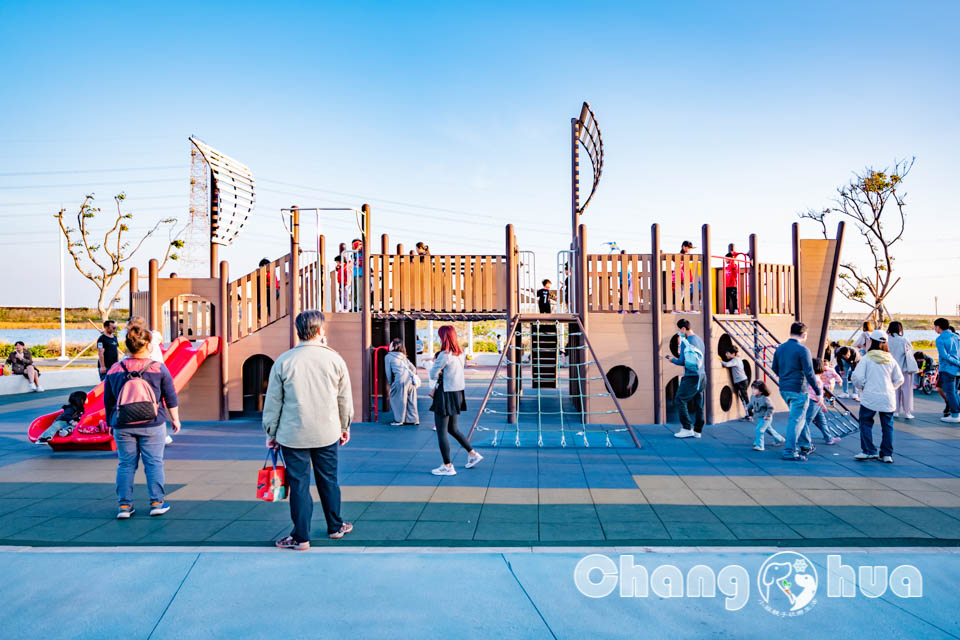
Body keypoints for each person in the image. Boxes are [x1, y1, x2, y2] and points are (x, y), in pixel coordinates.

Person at [263, 310, 354, 549]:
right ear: (321, 331)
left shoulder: (284, 361)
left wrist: (271, 433)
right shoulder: (335, 359)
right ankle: (335, 526)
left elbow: (274, 402)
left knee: (299, 486)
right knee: (329, 480)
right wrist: (345, 426)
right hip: (327, 432)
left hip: (292, 435)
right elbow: (344, 399)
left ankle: (301, 537)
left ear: (298, 331)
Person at [104, 321, 180, 519]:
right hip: (152, 423)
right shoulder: (158, 368)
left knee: (125, 464)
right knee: (154, 463)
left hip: (122, 424)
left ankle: (124, 506)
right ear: (148, 345)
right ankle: (157, 502)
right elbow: (170, 396)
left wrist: (110, 423)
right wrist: (175, 420)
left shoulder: (114, 369)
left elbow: (109, 401)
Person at [429, 325, 483, 475]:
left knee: (441, 431)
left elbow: (432, 375)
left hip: (445, 394)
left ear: (443, 337)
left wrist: (434, 364)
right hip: (457, 393)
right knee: (453, 428)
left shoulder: (444, 355)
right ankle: (472, 454)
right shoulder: (460, 354)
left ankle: (447, 466)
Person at [851, 330, 904, 462]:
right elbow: (899, 379)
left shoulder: (867, 359)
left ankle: (869, 451)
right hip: (888, 397)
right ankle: (887, 454)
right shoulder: (891, 359)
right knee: (887, 426)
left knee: (865, 423)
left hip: (870, 396)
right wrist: (891, 388)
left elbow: (857, 377)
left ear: (872, 341)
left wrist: (862, 387)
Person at [771, 322, 820, 461]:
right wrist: (818, 392)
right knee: (796, 419)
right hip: (799, 389)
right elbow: (809, 373)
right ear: (804, 335)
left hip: (784, 389)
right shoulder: (803, 350)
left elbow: (774, 369)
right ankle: (789, 451)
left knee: (799, 417)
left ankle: (806, 445)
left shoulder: (780, 348)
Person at [665, 319, 706, 438]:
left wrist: (672, 359)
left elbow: (682, 361)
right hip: (702, 375)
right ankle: (698, 430)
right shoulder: (699, 339)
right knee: (699, 404)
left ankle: (687, 427)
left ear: (683, 328)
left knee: (679, 400)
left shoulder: (685, 342)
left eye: (679, 329)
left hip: (691, 376)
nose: (679, 332)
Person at [804, 359, 840, 446]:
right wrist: (823, 405)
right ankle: (801, 439)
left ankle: (829, 438)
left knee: (821, 421)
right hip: (814, 403)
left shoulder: (810, 377)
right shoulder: (817, 380)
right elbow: (817, 395)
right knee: (806, 421)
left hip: (815, 402)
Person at [384, 338, 419, 426]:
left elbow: (388, 372)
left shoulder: (388, 356)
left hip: (400, 379)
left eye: (391, 344)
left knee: (398, 399)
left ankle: (399, 420)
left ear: (394, 346)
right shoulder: (403, 356)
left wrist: (392, 383)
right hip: (410, 380)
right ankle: (413, 419)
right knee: (411, 400)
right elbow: (413, 369)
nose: (389, 346)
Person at [887, 321, 918, 419]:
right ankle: (907, 412)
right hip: (904, 369)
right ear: (900, 329)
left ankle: (895, 410)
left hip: (891, 369)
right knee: (907, 391)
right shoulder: (904, 340)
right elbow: (910, 353)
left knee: (894, 390)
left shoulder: (887, 340)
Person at [934, 317, 960, 423]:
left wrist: (956, 362)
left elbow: (944, 355)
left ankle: (955, 415)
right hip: (958, 369)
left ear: (938, 327)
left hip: (948, 368)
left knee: (950, 392)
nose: (934, 329)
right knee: (955, 392)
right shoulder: (956, 337)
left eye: (935, 327)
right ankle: (957, 413)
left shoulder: (940, 339)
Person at [748, 380, 783, 451]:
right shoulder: (753, 397)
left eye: (755, 389)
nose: (753, 390)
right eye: (752, 389)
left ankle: (760, 445)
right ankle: (779, 439)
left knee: (759, 430)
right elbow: (751, 404)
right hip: (759, 417)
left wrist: (767, 415)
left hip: (766, 418)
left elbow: (771, 407)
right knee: (769, 429)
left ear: (761, 391)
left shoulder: (765, 398)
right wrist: (747, 407)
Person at [720, 345, 750, 420]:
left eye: (728, 353)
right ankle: (749, 414)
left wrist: (720, 361)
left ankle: (749, 415)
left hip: (741, 381)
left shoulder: (735, 360)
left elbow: (727, 364)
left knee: (744, 398)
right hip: (742, 381)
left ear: (733, 354)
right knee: (744, 398)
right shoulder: (737, 359)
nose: (726, 354)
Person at [722, 243, 745, 314]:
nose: (725, 260)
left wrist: (732, 257)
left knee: (734, 298)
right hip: (727, 285)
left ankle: (735, 309)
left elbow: (733, 266)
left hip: (732, 285)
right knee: (727, 298)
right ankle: (727, 309)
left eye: (726, 259)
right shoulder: (727, 267)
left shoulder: (733, 265)